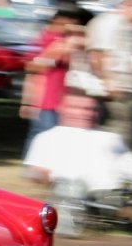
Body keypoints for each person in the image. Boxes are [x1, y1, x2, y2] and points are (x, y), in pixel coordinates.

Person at [86, 0, 132, 148]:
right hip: (115, 83)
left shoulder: (123, 24)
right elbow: (98, 54)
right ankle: (113, 162)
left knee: (123, 125)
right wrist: (107, 81)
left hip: (124, 83)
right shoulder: (108, 22)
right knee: (117, 127)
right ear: (123, 4)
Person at [20, 8, 86, 154]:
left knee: (55, 138)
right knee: (42, 135)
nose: (70, 27)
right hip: (45, 101)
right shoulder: (46, 40)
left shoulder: (70, 41)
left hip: (65, 101)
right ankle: (33, 168)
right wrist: (27, 101)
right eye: (68, 24)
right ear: (58, 21)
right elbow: (32, 67)